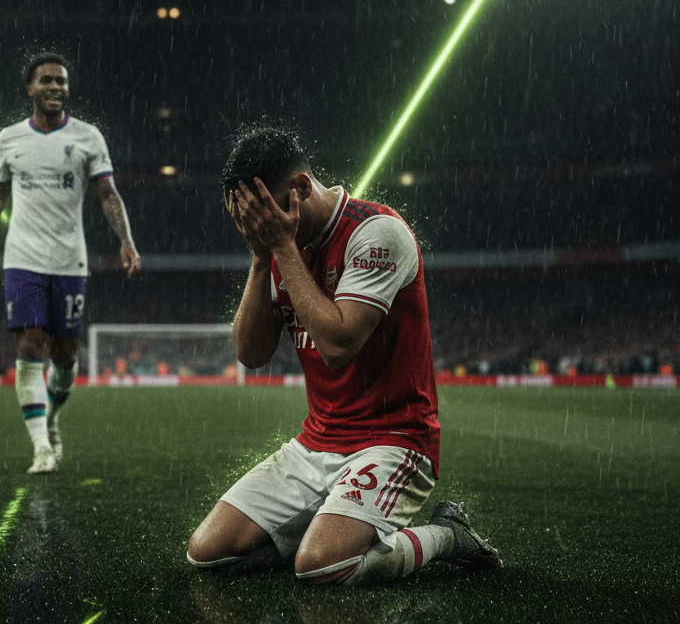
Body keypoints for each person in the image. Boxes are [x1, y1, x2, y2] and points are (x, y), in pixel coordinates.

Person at [187, 127, 500, 585]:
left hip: (395, 439)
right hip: (316, 442)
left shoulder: (378, 232)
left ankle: (447, 535)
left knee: (325, 566)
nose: (258, 225)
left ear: (299, 188)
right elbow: (250, 353)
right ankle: (326, 523)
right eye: (248, 220)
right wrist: (260, 257)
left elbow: (338, 346)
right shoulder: (278, 243)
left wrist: (280, 248)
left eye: (262, 213)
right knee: (207, 554)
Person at [0, 53, 140, 473]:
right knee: (29, 346)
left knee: (65, 357)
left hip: (69, 262)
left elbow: (107, 194)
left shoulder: (88, 137)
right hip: (22, 260)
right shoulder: (10, 139)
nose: (56, 87)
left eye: (62, 81)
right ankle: (40, 449)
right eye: (47, 80)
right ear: (30, 88)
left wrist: (126, 240)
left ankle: (50, 416)